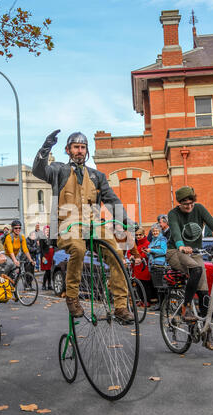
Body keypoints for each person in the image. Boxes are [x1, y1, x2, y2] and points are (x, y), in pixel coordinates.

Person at [32, 129, 136, 320]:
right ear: (68, 150)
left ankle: (121, 306)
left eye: (83, 147)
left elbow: (112, 201)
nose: (80, 150)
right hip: (67, 226)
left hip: (93, 226)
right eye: (76, 147)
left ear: (86, 150)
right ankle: (72, 297)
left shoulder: (97, 176)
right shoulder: (58, 170)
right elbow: (39, 170)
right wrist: (46, 147)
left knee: (117, 254)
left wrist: (127, 221)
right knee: (78, 249)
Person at [167, 186, 213, 351]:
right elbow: (175, 231)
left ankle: (206, 333)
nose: (189, 207)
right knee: (196, 269)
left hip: (194, 253)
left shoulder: (199, 209)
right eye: (185, 204)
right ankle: (185, 307)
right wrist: (181, 246)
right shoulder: (173, 214)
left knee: (204, 293)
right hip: (176, 251)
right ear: (179, 203)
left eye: (191, 203)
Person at [129, 227, 155, 307]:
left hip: (144, 268)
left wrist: (137, 257)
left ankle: (147, 301)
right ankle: (141, 300)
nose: (138, 236)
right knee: (138, 285)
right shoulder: (135, 243)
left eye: (140, 235)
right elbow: (129, 252)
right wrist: (130, 256)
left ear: (144, 234)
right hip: (136, 268)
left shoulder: (147, 243)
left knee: (145, 285)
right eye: (137, 235)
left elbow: (145, 254)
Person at [144, 223, 167, 310]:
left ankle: (162, 305)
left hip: (160, 265)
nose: (155, 232)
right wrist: (147, 253)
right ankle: (160, 304)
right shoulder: (152, 241)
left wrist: (151, 250)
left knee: (161, 286)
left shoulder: (162, 239)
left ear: (160, 231)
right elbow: (150, 254)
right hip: (153, 265)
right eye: (153, 231)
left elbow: (163, 251)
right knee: (157, 286)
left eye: (156, 231)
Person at [40, 225, 54, 291]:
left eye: (48, 230)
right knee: (47, 270)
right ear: (44, 231)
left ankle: (49, 285)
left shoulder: (51, 237)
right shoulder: (42, 238)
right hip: (45, 255)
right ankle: (43, 285)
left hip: (51, 254)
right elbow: (41, 248)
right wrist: (43, 257)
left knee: (50, 270)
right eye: (46, 230)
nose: (47, 231)